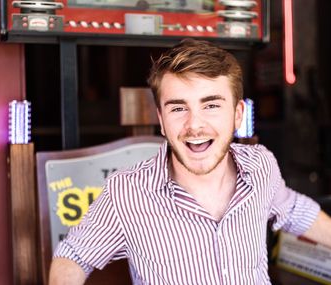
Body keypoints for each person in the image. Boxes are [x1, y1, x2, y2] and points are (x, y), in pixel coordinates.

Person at [49, 39, 331, 285]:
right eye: (178, 108)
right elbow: (73, 256)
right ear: (161, 119)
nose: (194, 125)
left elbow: (294, 209)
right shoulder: (127, 191)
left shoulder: (260, 166)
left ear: (237, 114)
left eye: (211, 105)